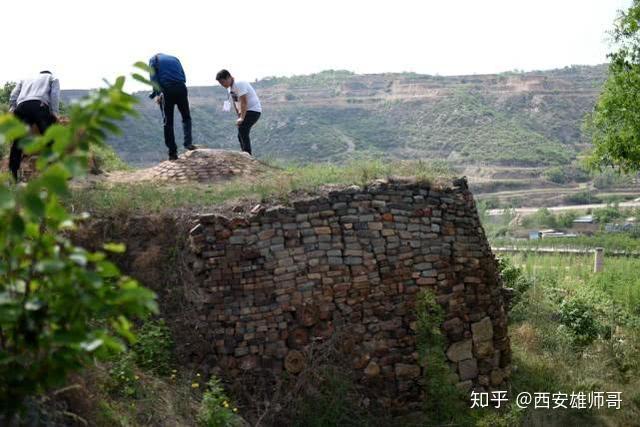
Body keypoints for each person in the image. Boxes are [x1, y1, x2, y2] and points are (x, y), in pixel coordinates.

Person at [8, 71, 60, 180]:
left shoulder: (25, 78)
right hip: (39, 106)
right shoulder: (52, 77)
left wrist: (12, 108)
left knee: (17, 142)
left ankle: (13, 176)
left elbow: (13, 94)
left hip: (21, 107)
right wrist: (55, 112)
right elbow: (54, 94)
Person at [149, 53, 196, 160]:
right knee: (186, 117)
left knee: (168, 122)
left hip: (166, 90)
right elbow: (183, 75)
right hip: (181, 87)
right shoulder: (175, 58)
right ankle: (188, 143)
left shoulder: (154, 59)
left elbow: (153, 78)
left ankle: (172, 153)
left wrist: (157, 94)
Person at [216, 70, 261, 155]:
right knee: (240, 133)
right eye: (220, 83)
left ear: (228, 77)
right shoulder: (231, 89)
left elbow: (244, 101)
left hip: (253, 110)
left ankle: (247, 154)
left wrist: (242, 118)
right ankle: (244, 153)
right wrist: (239, 116)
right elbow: (236, 103)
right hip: (246, 111)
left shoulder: (239, 84)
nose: (222, 85)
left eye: (223, 82)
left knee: (243, 130)